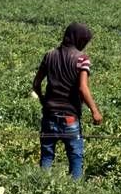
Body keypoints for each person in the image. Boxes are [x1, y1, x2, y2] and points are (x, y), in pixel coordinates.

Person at [32, 22, 102, 180]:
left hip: (49, 115)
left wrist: (44, 101)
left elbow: (36, 84)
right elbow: (83, 88)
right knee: (75, 157)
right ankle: (74, 191)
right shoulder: (81, 59)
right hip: (70, 118)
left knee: (47, 156)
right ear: (78, 39)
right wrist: (95, 111)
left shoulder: (49, 55)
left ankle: (41, 187)